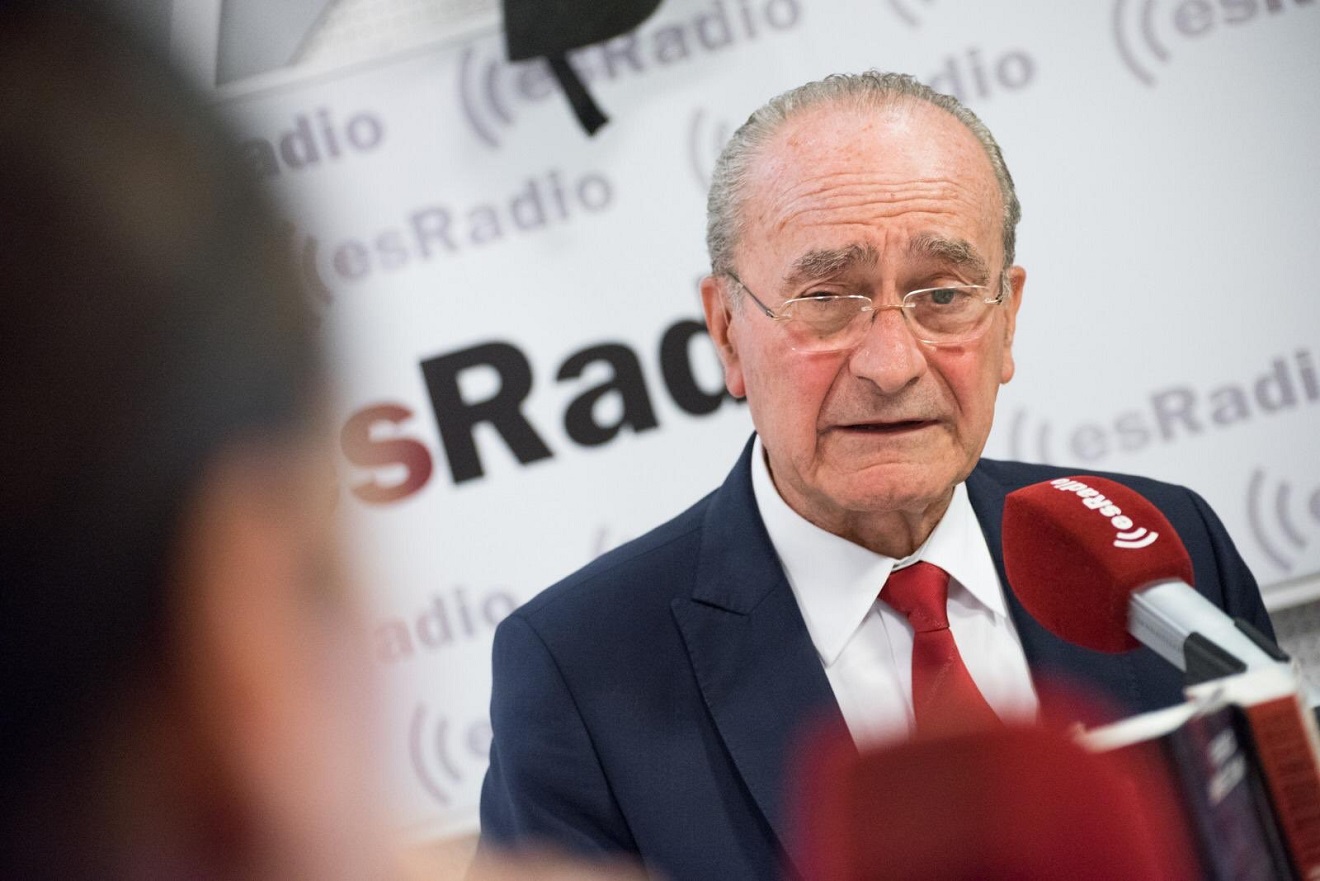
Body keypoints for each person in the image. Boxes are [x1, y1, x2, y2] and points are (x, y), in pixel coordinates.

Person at [477, 71, 1274, 880]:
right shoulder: (582, 671)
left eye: (943, 293)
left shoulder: (1162, 553)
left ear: (1007, 319)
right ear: (726, 331)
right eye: (827, 297)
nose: (891, 364)